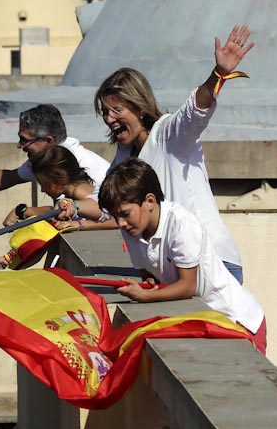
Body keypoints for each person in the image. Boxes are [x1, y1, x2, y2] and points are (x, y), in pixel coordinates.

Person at [94, 24, 253, 282]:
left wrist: (218, 74)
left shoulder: (168, 135)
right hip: (174, 271)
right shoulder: (124, 156)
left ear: (140, 108)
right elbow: (105, 203)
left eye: (117, 110)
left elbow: (195, 110)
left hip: (211, 264)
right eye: (105, 112)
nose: (110, 119)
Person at [98, 159, 266, 353]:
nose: (121, 224)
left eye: (125, 214)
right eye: (115, 217)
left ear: (150, 201)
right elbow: (150, 277)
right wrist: (147, 285)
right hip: (203, 318)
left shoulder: (181, 224)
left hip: (236, 319)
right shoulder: (133, 230)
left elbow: (187, 286)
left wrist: (145, 295)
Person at [0, 104, 110, 201]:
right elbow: (6, 178)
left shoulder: (71, 166)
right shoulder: (48, 159)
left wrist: (24, 212)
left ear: (49, 141)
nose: (19, 146)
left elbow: (93, 210)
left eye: (25, 140)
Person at [4, 145, 116, 231]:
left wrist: (73, 207)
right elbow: (54, 212)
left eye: (44, 184)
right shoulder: (79, 191)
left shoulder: (83, 194)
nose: (43, 190)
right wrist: (24, 212)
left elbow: (98, 207)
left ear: (58, 180)